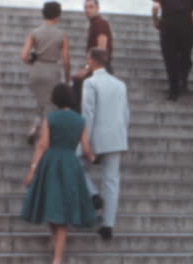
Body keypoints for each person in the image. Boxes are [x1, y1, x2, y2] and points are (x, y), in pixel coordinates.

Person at [21, 83, 97, 264]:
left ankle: (55, 250)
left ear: (55, 99)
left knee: (52, 205)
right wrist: (92, 157)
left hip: (52, 163)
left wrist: (32, 169)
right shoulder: (80, 120)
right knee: (63, 210)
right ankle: (57, 254)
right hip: (71, 164)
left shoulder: (51, 118)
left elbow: (42, 144)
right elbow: (86, 148)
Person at [81, 48, 130, 241]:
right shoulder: (120, 84)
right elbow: (126, 113)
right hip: (117, 136)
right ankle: (108, 224)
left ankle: (93, 194)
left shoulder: (90, 83)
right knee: (111, 181)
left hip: (97, 135)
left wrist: (87, 141)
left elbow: (88, 113)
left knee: (77, 165)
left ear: (92, 61)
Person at [20, 1, 70, 144]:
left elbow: (23, 56)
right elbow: (66, 60)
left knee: (41, 101)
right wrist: (67, 78)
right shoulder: (62, 35)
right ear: (57, 16)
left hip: (37, 70)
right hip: (52, 70)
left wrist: (32, 61)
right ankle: (43, 134)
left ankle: (35, 126)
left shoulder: (34, 33)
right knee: (49, 103)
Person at [152, 0, 193, 101]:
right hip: (186, 27)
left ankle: (174, 90)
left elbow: (155, 7)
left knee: (170, 59)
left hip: (168, 27)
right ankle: (181, 82)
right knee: (184, 57)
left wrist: (155, 19)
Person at [72, 0, 114, 112]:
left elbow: (102, 48)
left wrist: (87, 69)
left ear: (97, 8)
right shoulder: (94, 24)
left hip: (100, 68)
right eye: (85, 7)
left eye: (91, 7)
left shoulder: (100, 23)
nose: (87, 10)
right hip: (97, 67)